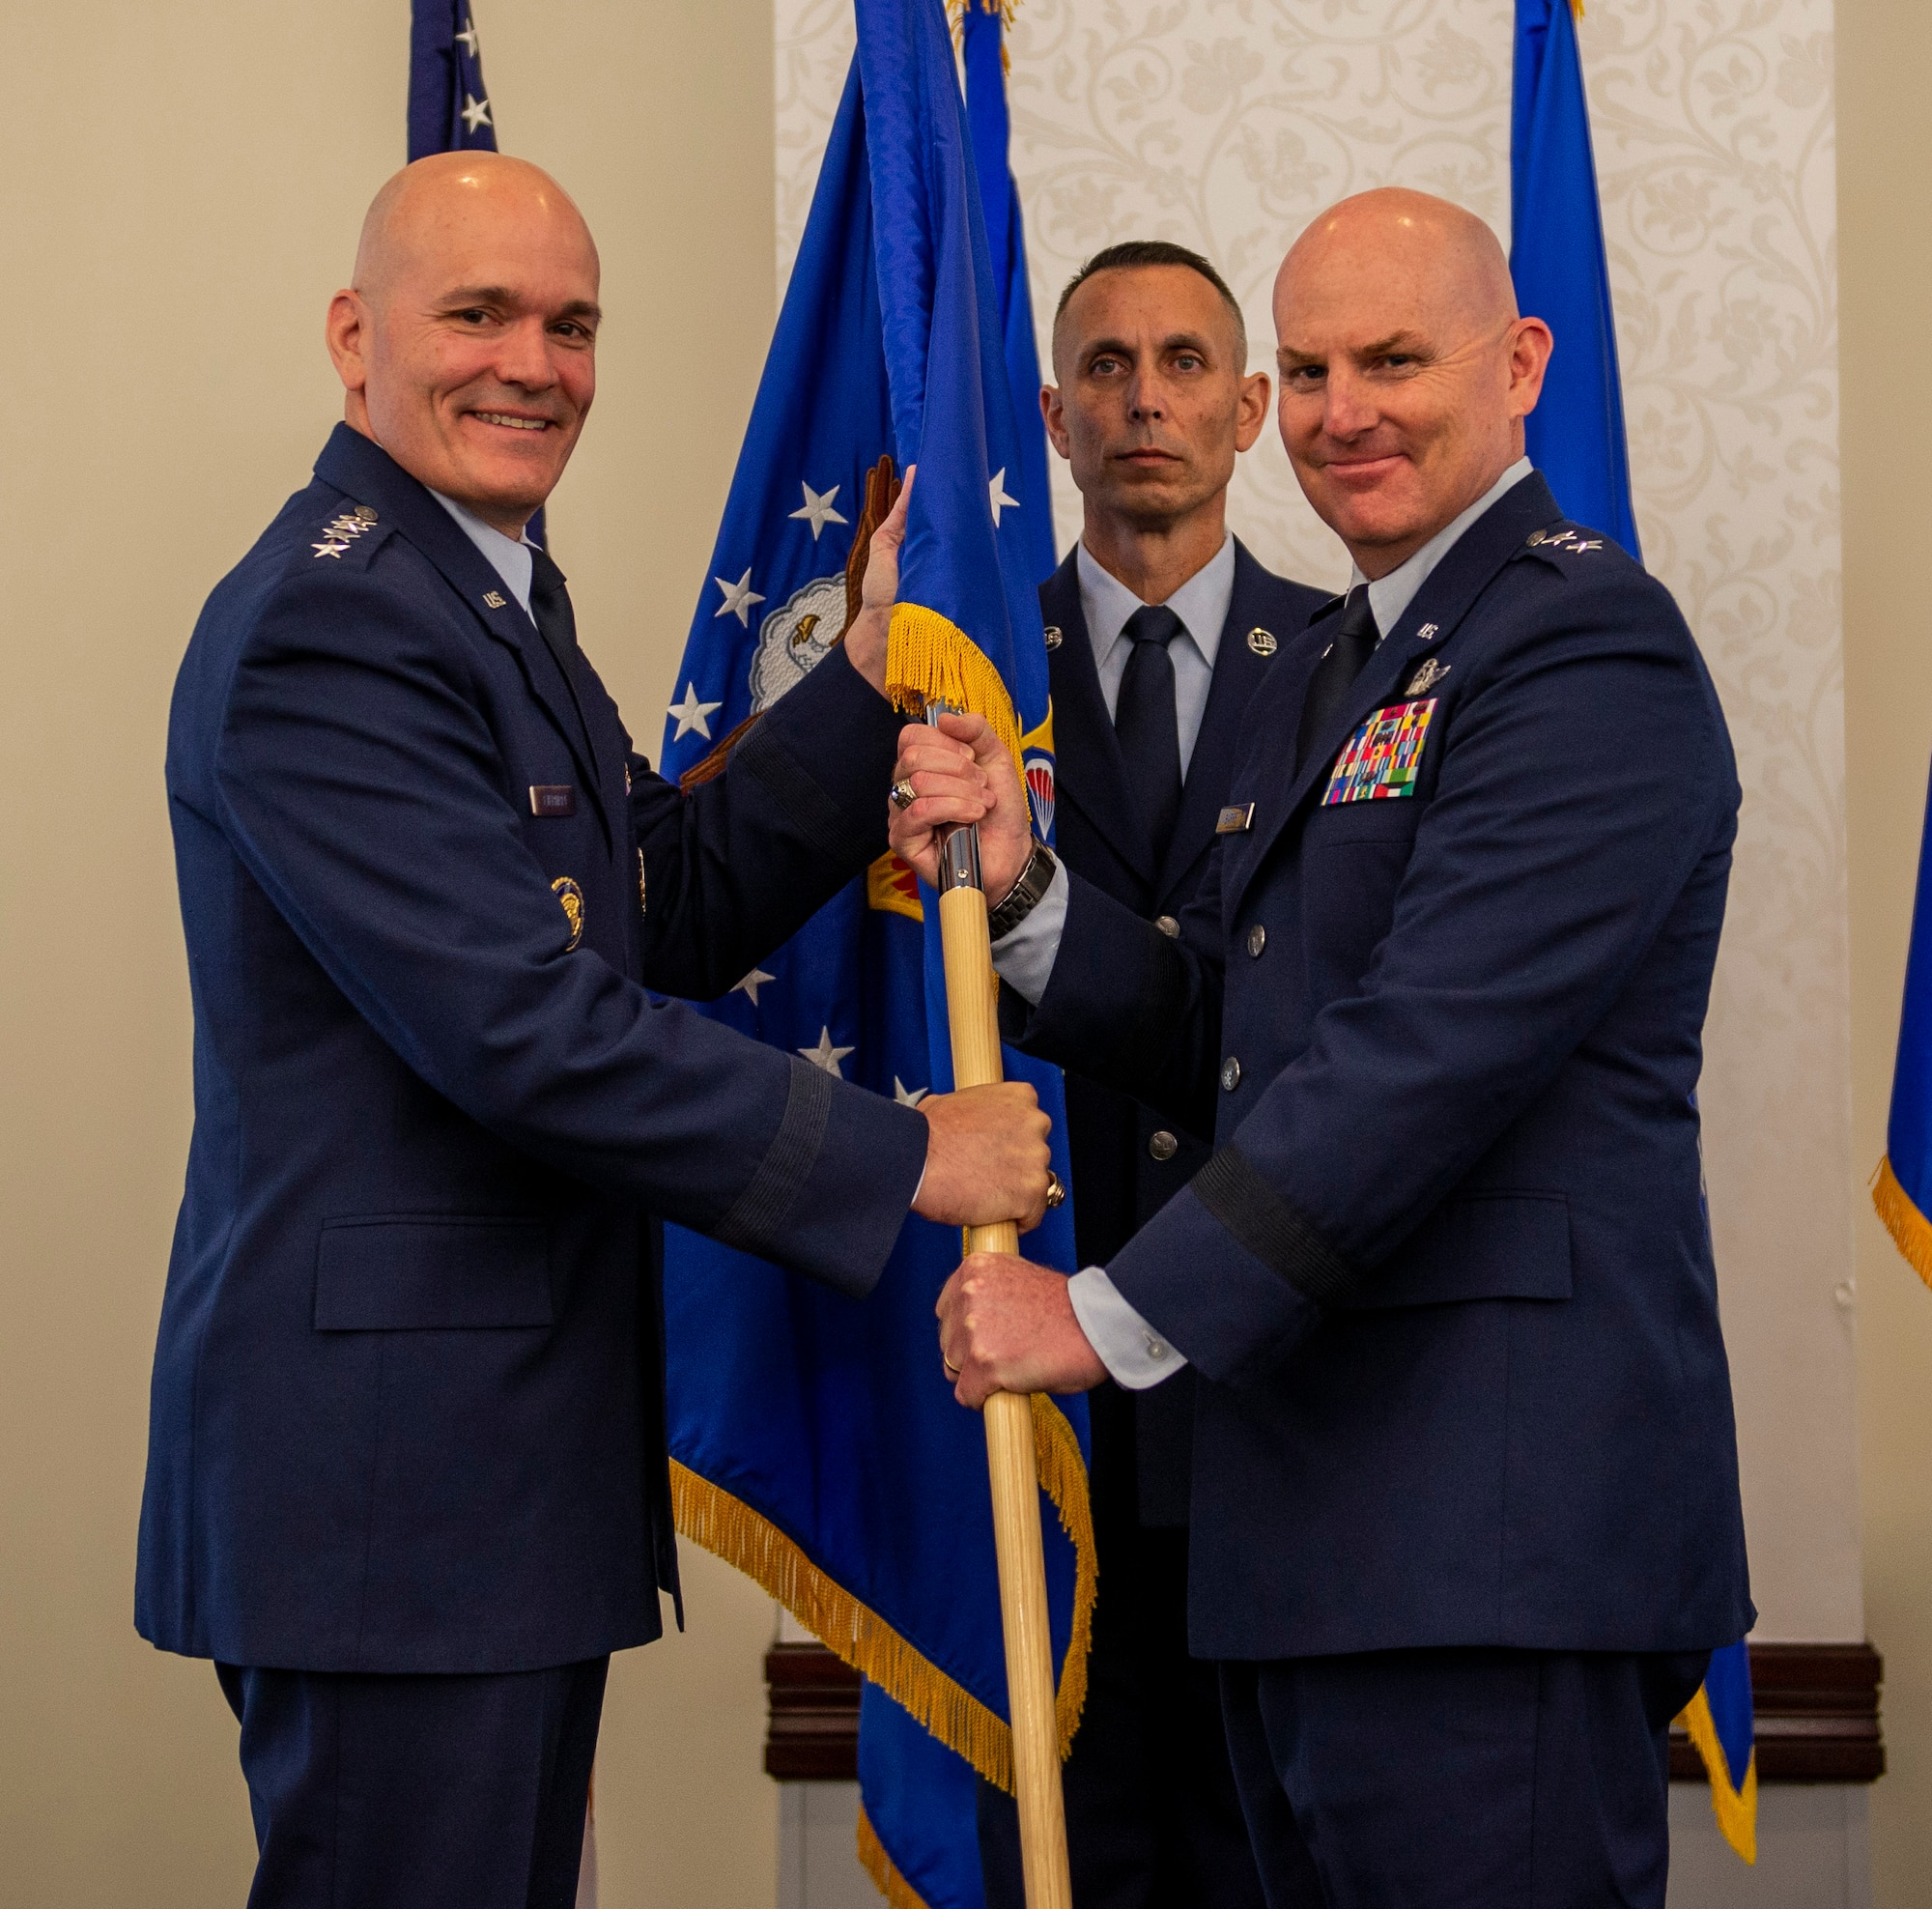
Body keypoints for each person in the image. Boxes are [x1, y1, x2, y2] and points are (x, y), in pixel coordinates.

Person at [137, 152, 1050, 1909]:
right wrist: (905, 1152)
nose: (532, 364)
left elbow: (656, 901)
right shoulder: (335, 616)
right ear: (355, 337)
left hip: (485, 1475)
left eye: (569, 326)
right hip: (398, 1494)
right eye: (476, 315)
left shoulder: (482, 589)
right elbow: (525, 1031)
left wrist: (861, 678)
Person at [893, 187, 1750, 1905]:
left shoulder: (1578, 640)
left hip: (1483, 1548)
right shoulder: (1362, 657)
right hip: (1324, 1551)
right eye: (1311, 367)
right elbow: (1245, 1017)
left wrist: (1103, 1314)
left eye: (1394, 360)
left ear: (1519, 366)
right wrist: (1027, 886)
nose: (1343, 409)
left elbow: (1419, 1060)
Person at [975, 241, 1321, 1909]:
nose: (1146, 400)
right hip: (1037, 1414)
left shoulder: (1356, 672)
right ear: (1050, 413)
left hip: (1286, 1410)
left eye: (1187, 363)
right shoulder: (955, 668)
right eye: (1106, 367)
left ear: (1251, 408)